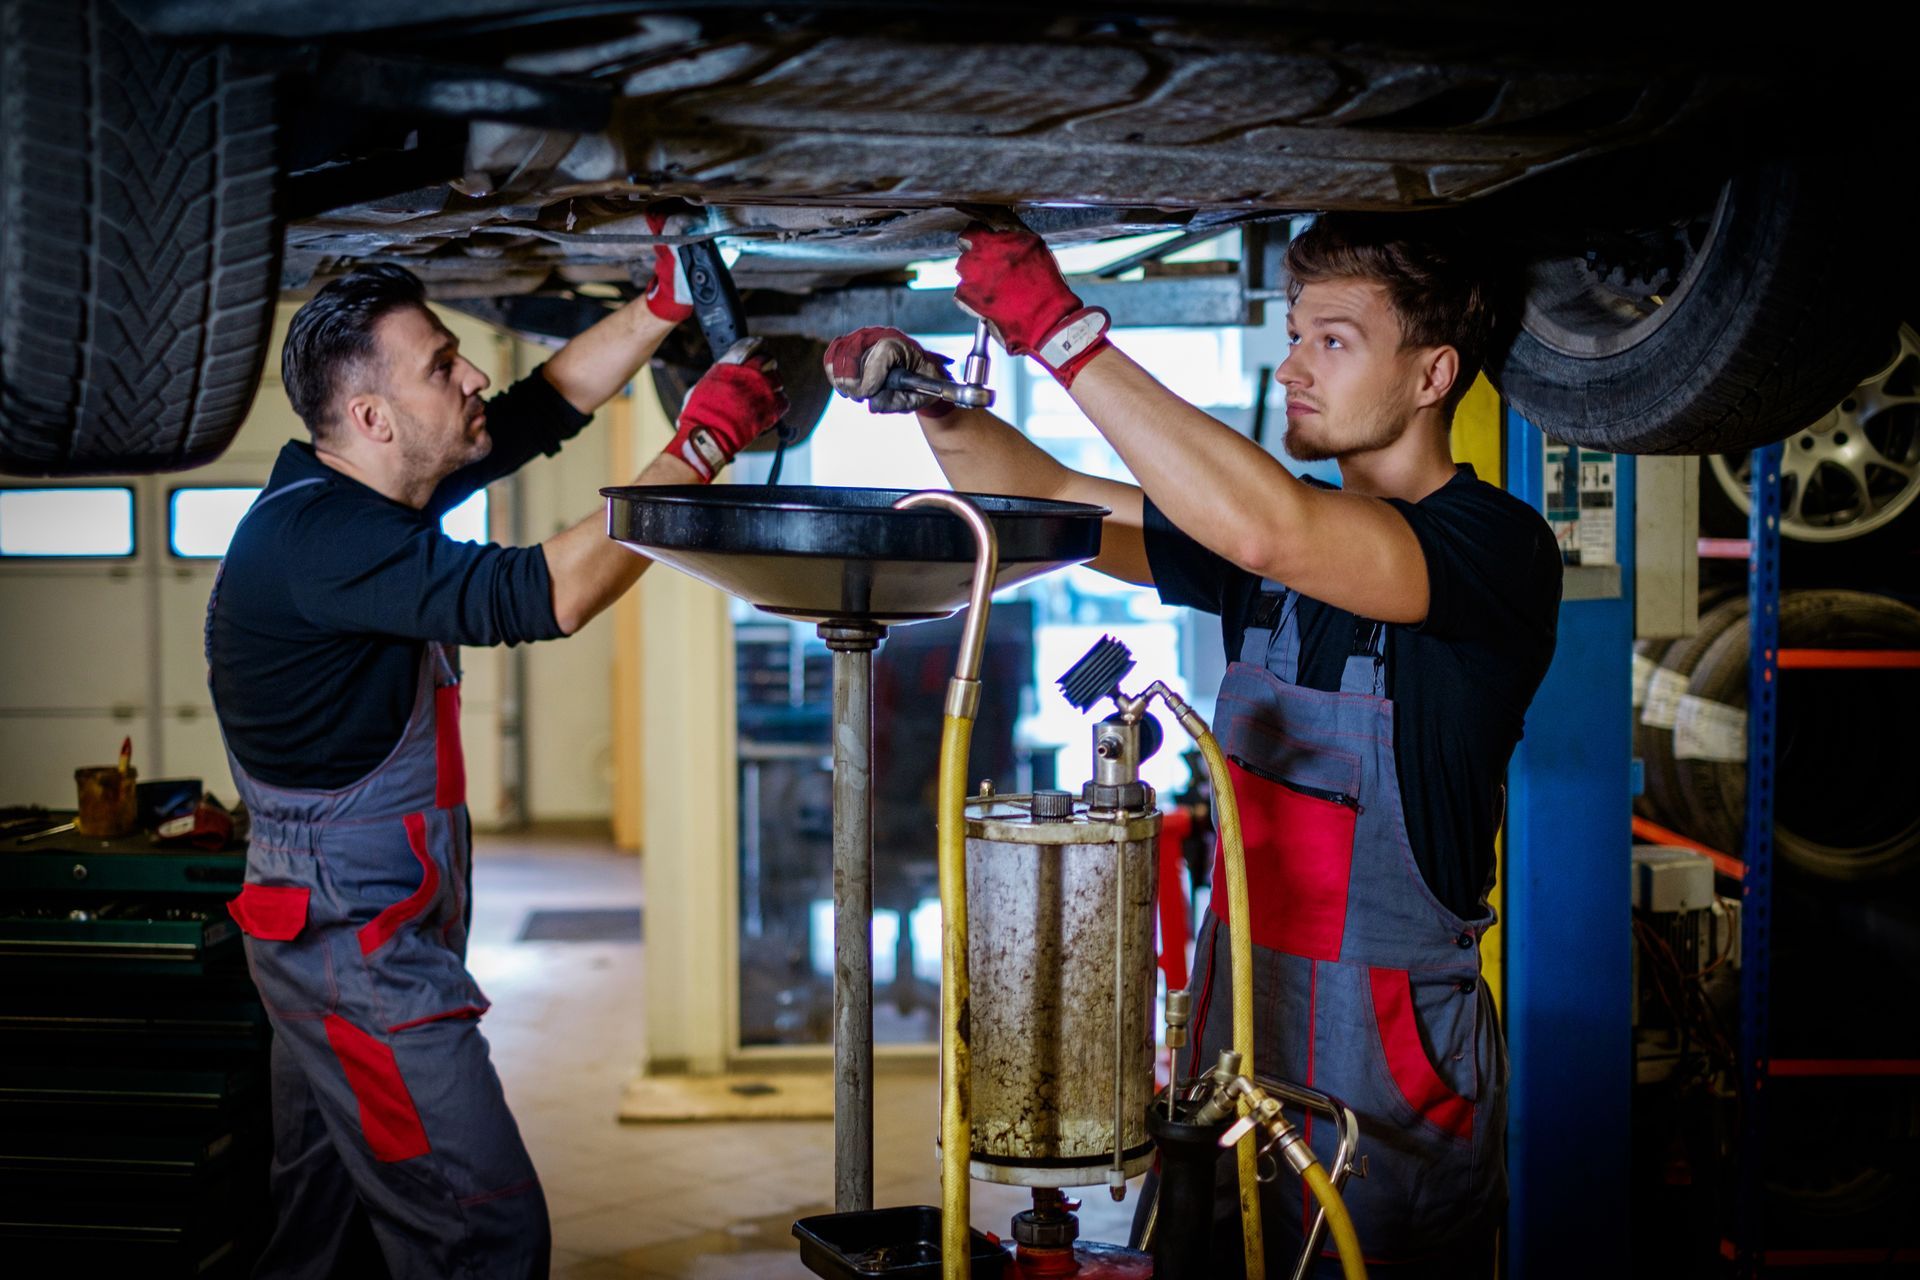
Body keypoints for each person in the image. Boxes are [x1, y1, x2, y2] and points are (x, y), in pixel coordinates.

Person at [822, 215, 1563, 1278]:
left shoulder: (1495, 550)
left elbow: (1276, 533)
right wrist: (933, 401)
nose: (1296, 366)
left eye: (1335, 342)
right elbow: (1058, 498)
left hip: (1386, 1077)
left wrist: (1065, 332)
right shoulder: (1263, 538)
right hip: (1238, 1033)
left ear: (1433, 373)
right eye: (1295, 336)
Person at [207, 230, 785, 1278]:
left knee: (324, 1232)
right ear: (375, 417)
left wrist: (660, 305)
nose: (472, 373)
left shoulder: (361, 490)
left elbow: (530, 413)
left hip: (352, 926)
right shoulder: (324, 543)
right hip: (356, 950)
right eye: (441, 364)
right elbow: (545, 593)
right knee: (484, 1228)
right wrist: (698, 449)